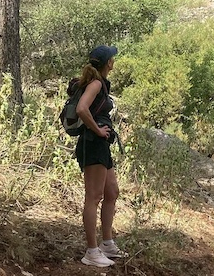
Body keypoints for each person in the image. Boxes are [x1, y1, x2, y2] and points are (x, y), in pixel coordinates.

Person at [75, 44, 127, 268]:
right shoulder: (96, 84)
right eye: (112, 58)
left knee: (111, 192)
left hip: (101, 146)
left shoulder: (100, 83)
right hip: (93, 144)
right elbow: (81, 109)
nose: (114, 61)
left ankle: (107, 244)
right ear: (108, 63)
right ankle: (92, 251)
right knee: (93, 197)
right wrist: (97, 130)